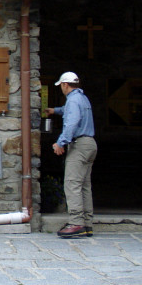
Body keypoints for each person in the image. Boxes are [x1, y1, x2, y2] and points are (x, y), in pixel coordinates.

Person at [45, 71, 98, 239]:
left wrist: (61, 142)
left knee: (72, 184)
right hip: (90, 144)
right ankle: (87, 223)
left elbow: (72, 122)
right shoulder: (82, 98)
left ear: (65, 84)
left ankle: (76, 223)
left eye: (61, 85)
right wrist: (55, 111)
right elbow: (69, 112)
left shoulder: (72, 100)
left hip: (79, 145)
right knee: (84, 185)